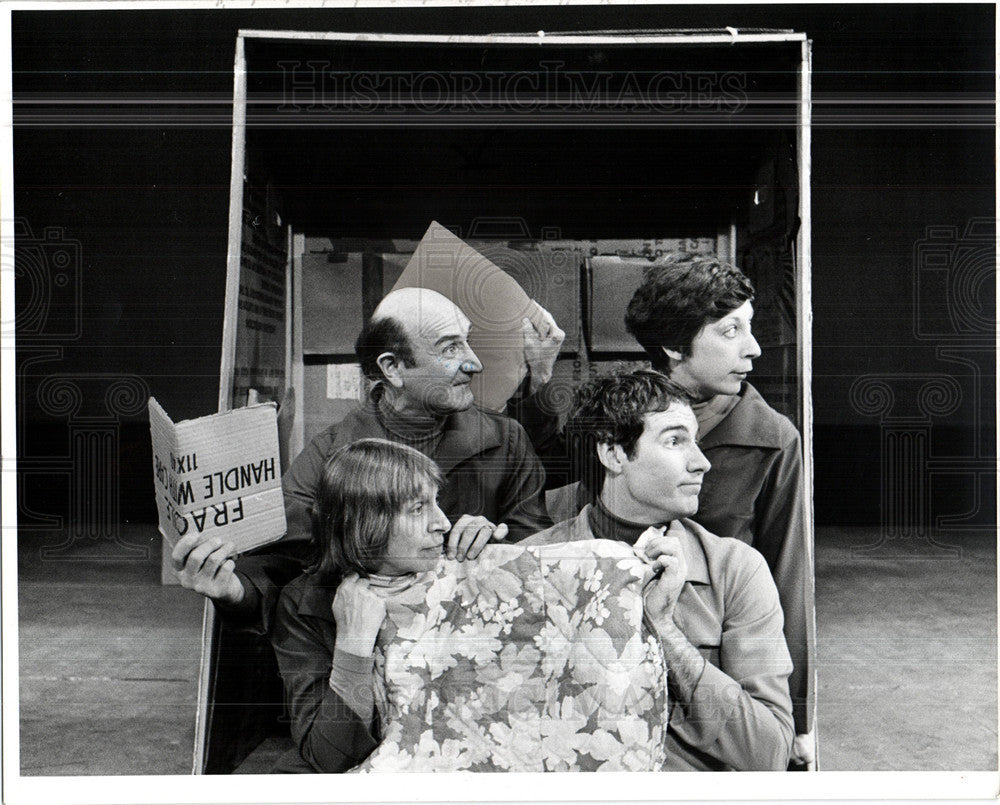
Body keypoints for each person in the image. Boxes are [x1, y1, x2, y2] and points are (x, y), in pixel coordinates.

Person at [170, 286, 562, 634]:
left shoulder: (506, 439)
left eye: (468, 342)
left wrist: (495, 539)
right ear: (392, 369)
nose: (474, 362)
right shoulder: (330, 456)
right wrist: (234, 592)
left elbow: (541, 549)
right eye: (450, 348)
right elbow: (282, 566)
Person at [525, 370, 794, 771]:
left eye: (696, 441)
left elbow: (769, 753)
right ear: (613, 453)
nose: (701, 462)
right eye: (675, 441)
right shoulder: (531, 565)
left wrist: (665, 631)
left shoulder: (736, 571)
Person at [623, 254, 814, 764]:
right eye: (730, 331)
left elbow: (789, 573)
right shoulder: (611, 419)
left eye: (749, 328)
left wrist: (796, 714)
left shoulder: (773, 439)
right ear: (672, 344)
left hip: (720, 664)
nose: (752, 349)